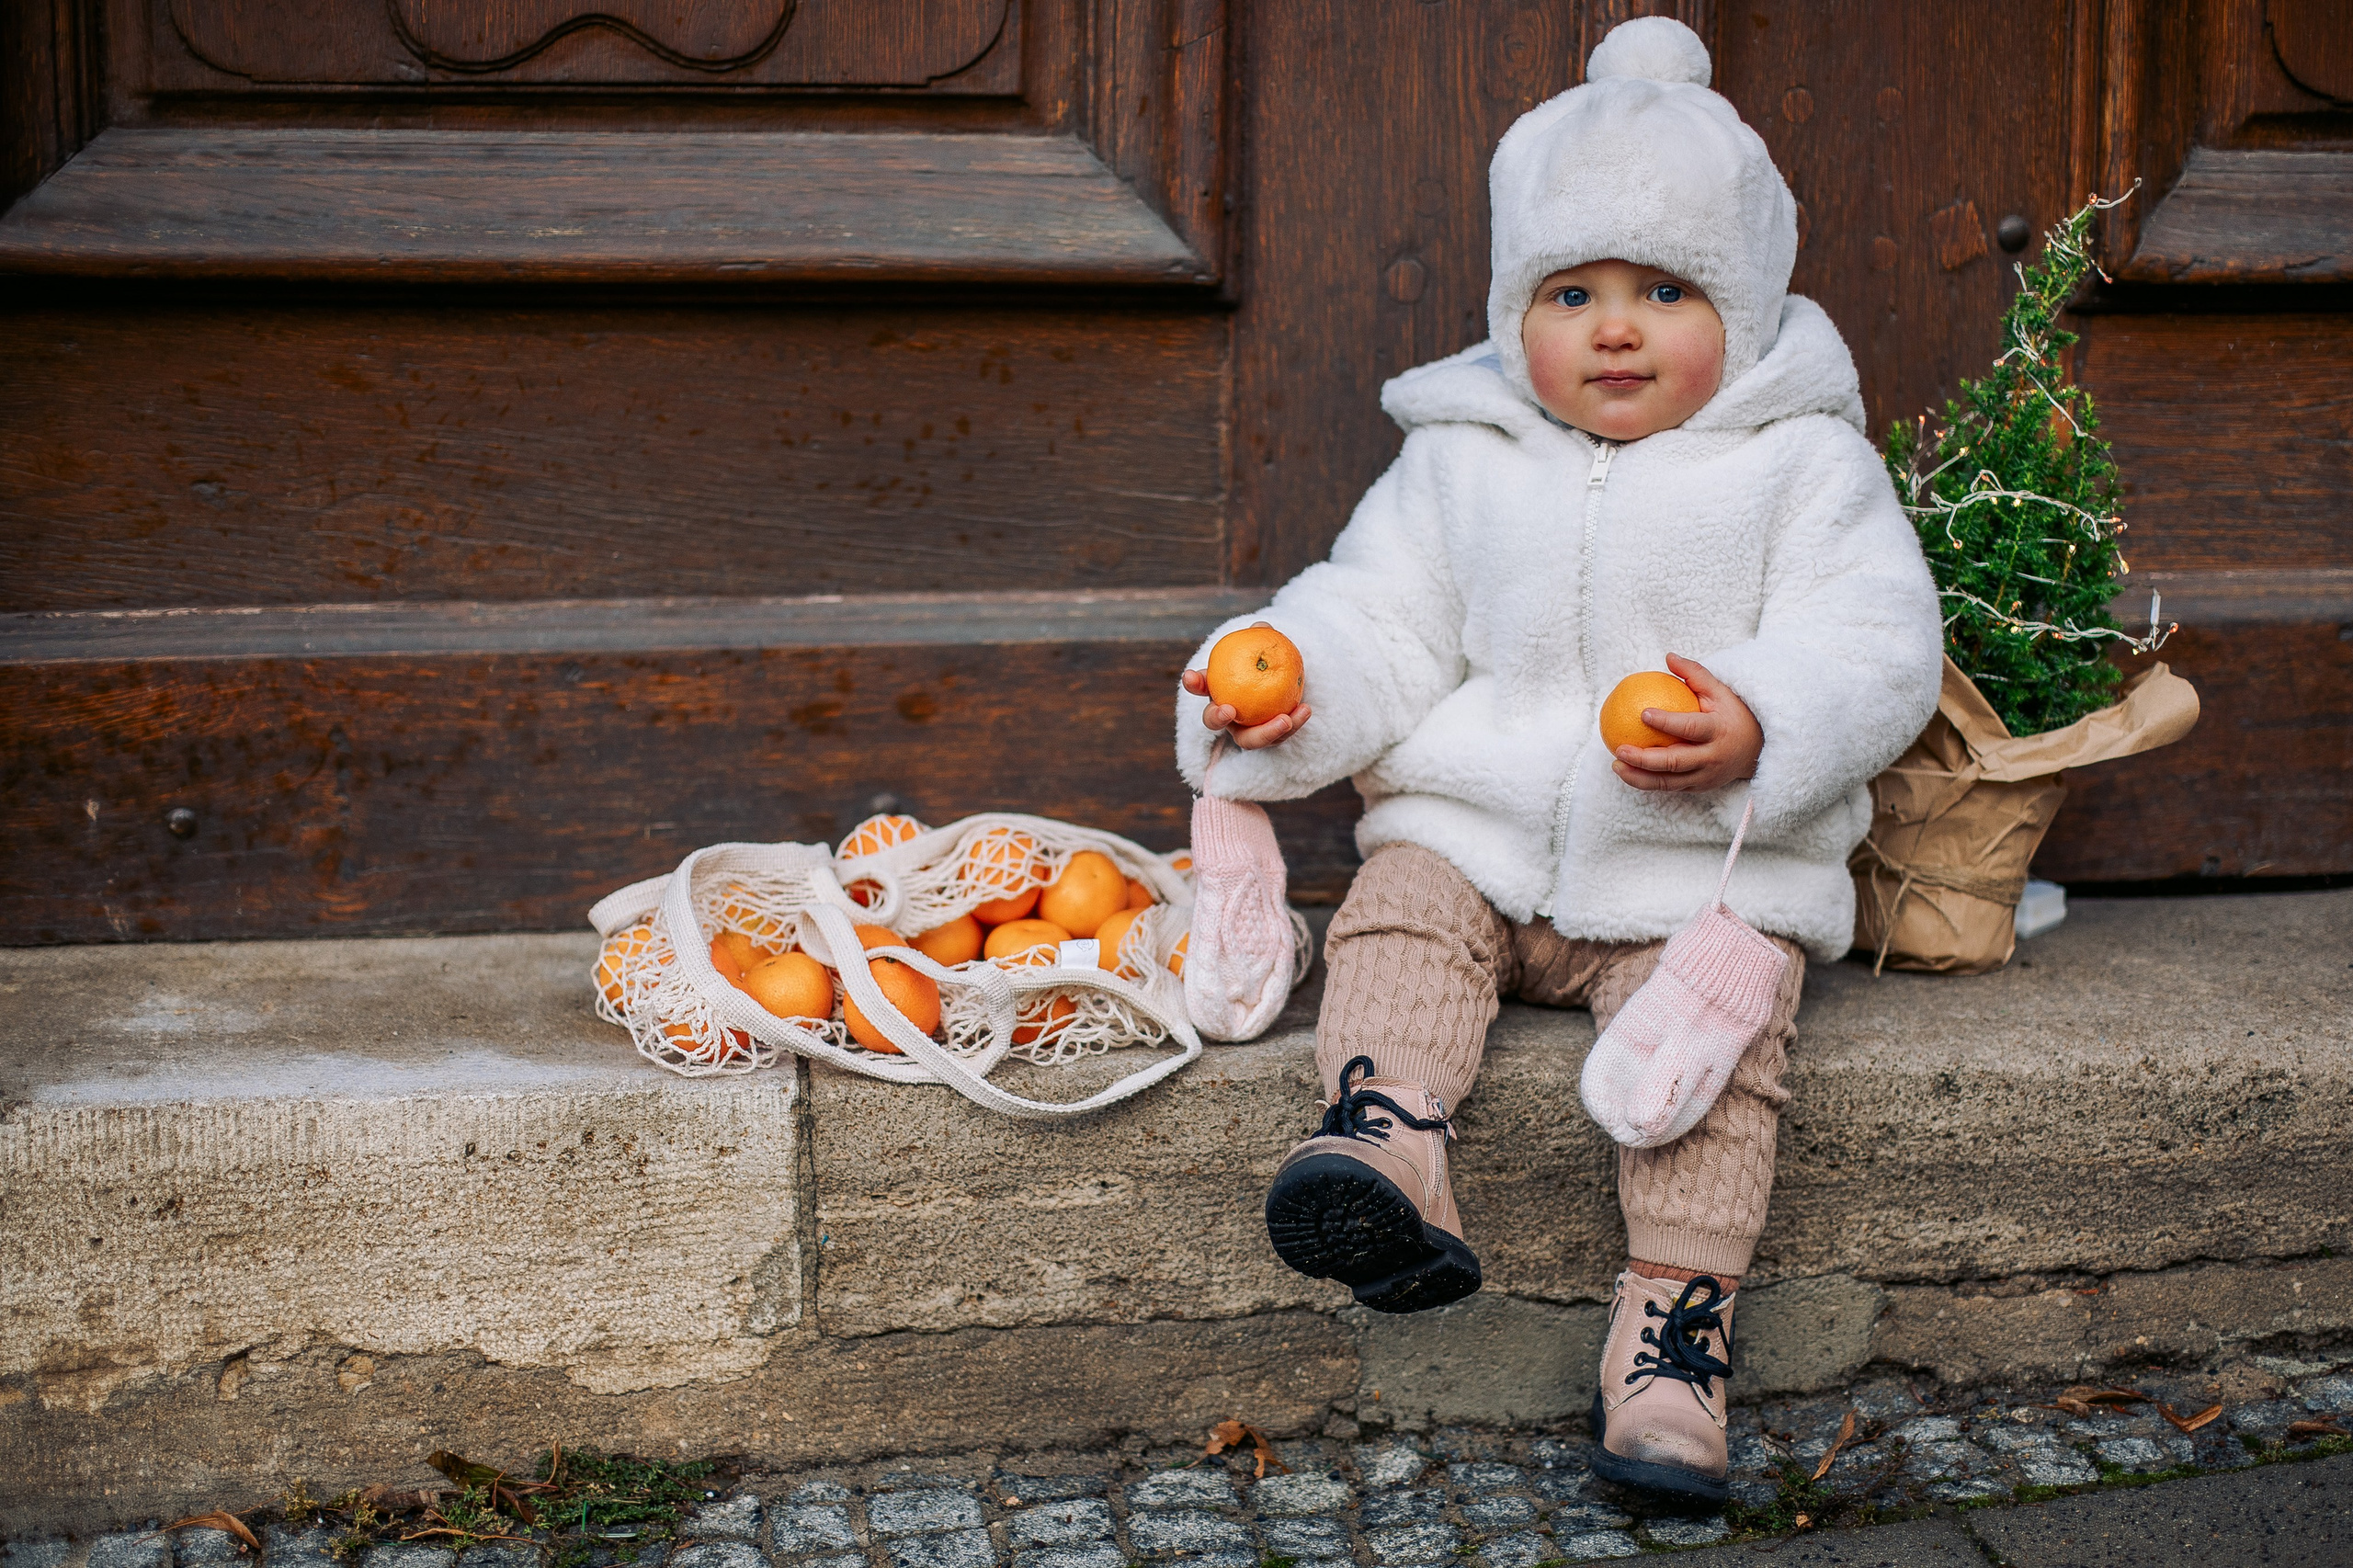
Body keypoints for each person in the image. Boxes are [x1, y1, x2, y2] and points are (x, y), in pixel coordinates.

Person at [1174, 17, 1942, 1504]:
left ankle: (1671, 1337)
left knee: (1719, 1055)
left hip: (1686, 879)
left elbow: (1878, 640)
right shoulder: (1462, 457)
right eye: (1573, 292)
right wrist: (1297, 681)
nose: (1616, 329)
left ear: (1747, 306)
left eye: (1667, 290)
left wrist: (1762, 718)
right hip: (1481, 837)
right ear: (1513, 308)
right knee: (1397, 906)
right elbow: (1380, 611)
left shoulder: (1802, 465)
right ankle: (1389, 1142)